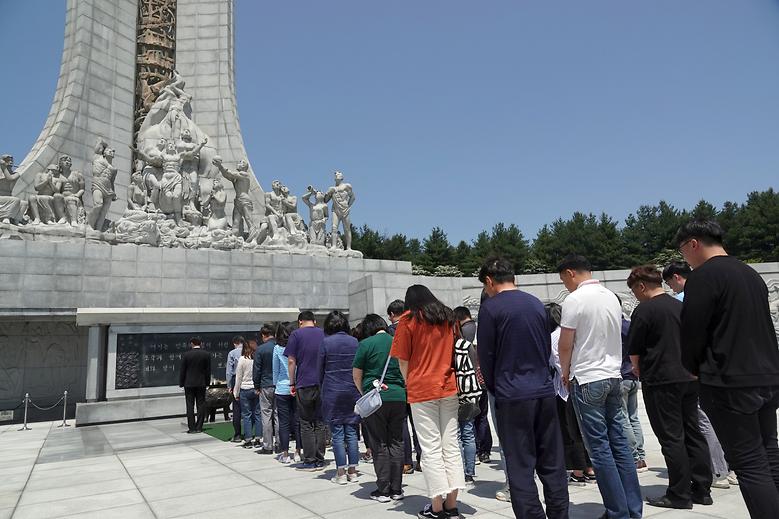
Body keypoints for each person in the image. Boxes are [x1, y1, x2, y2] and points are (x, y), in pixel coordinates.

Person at [676, 219, 779, 518]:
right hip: (765, 375)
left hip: (729, 381)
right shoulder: (749, 273)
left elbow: (693, 331)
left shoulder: (704, 277)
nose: (685, 258)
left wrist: (691, 367)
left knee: (749, 463)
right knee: (769, 454)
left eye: (683, 251)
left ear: (693, 243)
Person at [478, 257, 569, 519]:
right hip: (543, 390)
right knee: (552, 462)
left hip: (512, 393)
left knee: (520, 466)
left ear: (489, 281)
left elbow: (487, 357)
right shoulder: (535, 303)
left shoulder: (491, 309)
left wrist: (497, 389)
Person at [557, 254, 642, 519]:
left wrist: (565, 373)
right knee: (619, 444)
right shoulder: (609, 296)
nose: (566, 285)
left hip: (588, 379)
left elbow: (565, 343)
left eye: (564, 279)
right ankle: (632, 508)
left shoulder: (574, 300)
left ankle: (617, 512)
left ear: (571, 273)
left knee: (600, 449)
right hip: (614, 376)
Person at [626, 265, 713, 509]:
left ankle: (679, 493)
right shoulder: (680, 305)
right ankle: (702, 488)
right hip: (689, 376)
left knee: (671, 437)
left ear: (641, 286)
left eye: (634, 290)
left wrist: (637, 369)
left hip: (662, 379)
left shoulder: (644, 310)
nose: (635, 295)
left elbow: (634, 351)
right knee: (692, 431)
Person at [391, 285, 464, 519]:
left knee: (431, 449)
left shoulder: (408, 320)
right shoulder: (449, 317)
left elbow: (402, 360)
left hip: (422, 389)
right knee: (451, 445)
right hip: (448, 385)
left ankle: (436, 507)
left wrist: (408, 381)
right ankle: (452, 504)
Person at [354, 313, 408, 501]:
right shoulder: (397, 341)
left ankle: (383, 489)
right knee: (396, 441)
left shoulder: (365, 345)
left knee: (379, 443)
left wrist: (364, 393)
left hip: (376, 398)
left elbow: (357, 374)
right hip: (399, 396)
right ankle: (397, 489)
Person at [547, 303, 594, 487]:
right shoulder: (572, 331)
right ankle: (589, 468)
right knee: (582, 428)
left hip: (564, 388)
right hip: (580, 383)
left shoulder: (553, 336)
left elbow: (558, 362)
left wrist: (565, 377)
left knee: (569, 430)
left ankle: (577, 471)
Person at [317, 311, 362, 484]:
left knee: (337, 433)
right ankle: (353, 471)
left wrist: (323, 388)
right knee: (351, 431)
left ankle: (341, 473)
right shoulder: (354, 342)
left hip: (332, 390)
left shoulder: (326, 342)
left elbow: (320, 370)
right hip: (352, 390)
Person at [285, 311, 327, 470]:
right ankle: (320, 458)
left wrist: (291, 382)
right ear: (314, 321)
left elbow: (291, 361)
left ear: (300, 321)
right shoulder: (323, 333)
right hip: (321, 382)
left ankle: (310, 460)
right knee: (320, 421)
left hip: (304, 382)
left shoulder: (296, 335)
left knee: (306, 422)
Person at [454, 306, 493, 467]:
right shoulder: (481, 327)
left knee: (469, 422)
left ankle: (476, 452)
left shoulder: (462, 334)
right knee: (483, 416)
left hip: (468, 383)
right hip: (483, 380)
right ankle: (485, 450)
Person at [388, 298, 422, 474]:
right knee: (418, 423)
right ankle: (422, 459)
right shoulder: (417, 327)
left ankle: (406, 462)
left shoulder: (389, 332)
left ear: (392, 315)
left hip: (399, 383)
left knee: (402, 425)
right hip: (416, 380)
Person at [616, 296, 646, 472]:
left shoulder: (613, 327)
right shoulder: (628, 324)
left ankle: (634, 456)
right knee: (634, 417)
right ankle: (640, 455)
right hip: (633, 375)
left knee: (623, 417)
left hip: (621, 375)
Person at [274, 322, 301, 464]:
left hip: (281, 388)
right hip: (296, 386)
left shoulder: (277, 349)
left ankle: (285, 454)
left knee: (283, 422)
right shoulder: (297, 346)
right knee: (297, 421)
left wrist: (275, 384)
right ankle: (298, 452)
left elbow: (275, 370)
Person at [254, 324, 278, 454]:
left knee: (266, 416)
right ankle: (280, 444)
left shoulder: (261, 349)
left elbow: (257, 369)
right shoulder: (279, 347)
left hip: (265, 385)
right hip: (279, 385)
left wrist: (256, 385)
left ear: (263, 335)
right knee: (278, 415)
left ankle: (268, 445)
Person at [179, 338, 211, 434]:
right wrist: (207, 383)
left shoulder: (186, 355)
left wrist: (181, 383)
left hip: (188, 384)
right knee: (201, 405)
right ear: (200, 344)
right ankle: (199, 427)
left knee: (190, 405)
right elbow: (208, 371)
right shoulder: (206, 354)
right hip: (201, 383)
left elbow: (183, 370)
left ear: (192, 344)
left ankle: (192, 428)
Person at [234, 339, 261, 448]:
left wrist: (236, 392)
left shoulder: (242, 359)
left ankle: (248, 440)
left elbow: (238, 377)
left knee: (247, 415)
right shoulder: (257, 359)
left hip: (245, 389)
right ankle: (259, 439)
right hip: (256, 389)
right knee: (258, 414)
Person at [226, 336, 244, 442]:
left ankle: (237, 434)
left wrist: (229, 386)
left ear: (235, 343)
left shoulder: (232, 353)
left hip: (235, 380)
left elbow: (229, 371)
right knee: (249, 409)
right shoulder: (250, 351)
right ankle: (251, 434)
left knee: (236, 408)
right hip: (248, 381)